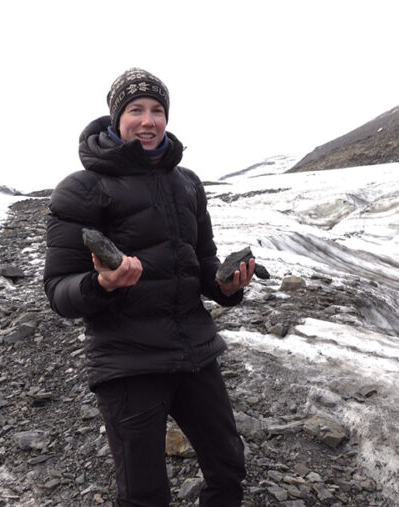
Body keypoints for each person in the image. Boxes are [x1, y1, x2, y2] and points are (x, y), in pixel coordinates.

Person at [43, 67, 254, 506]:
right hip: (128, 361)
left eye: (157, 110)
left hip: (195, 352)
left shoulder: (187, 184)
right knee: (144, 494)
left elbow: (202, 263)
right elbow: (59, 290)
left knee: (229, 468)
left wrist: (227, 286)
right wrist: (102, 284)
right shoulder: (82, 190)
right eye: (135, 110)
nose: (148, 120)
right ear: (116, 119)